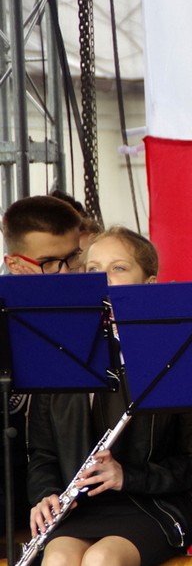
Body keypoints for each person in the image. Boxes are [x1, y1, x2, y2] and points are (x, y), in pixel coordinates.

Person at [26, 225, 192, 566]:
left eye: (118, 268)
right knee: (58, 559)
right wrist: (45, 495)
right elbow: (43, 453)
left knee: (103, 559)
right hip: (81, 508)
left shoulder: (180, 355)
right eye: (93, 269)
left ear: (149, 283)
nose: (104, 279)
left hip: (155, 504)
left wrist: (127, 476)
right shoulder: (62, 355)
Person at [1, 195, 85, 542]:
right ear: (14, 264)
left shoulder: (89, 313)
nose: (64, 273)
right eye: (49, 263)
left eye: (72, 258)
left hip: (64, 483)